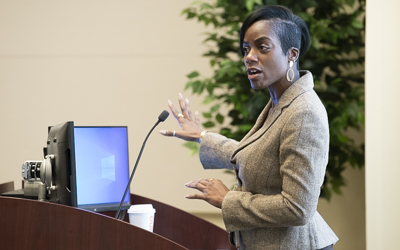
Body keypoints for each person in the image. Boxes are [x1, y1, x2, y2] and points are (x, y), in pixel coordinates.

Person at [159, 5, 338, 250]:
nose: (249, 57)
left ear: (291, 55)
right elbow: (259, 156)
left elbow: (297, 208)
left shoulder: (304, 111)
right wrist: (202, 136)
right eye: (246, 49)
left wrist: (227, 200)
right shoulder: (280, 102)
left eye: (262, 47)